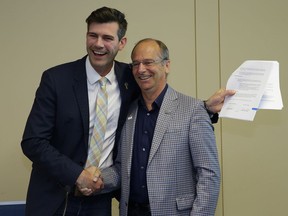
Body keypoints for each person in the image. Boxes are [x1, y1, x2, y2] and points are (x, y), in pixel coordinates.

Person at [21, 7, 233, 216]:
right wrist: (77, 175)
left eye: (107, 37)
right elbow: (33, 141)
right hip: (56, 198)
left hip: (101, 199)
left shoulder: (130, 78)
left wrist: (203, 107)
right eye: (92, 35)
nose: (98, 44)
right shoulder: (57, 79)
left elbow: (166, 103)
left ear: (121, 43)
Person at [101, 38, 221, 216]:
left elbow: (209, 174)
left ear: (167, 65)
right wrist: (97, 179)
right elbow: (121, 168)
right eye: (135, 64)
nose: (141, 70)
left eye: (148, 62)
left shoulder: (193, 110)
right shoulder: (127, 112)